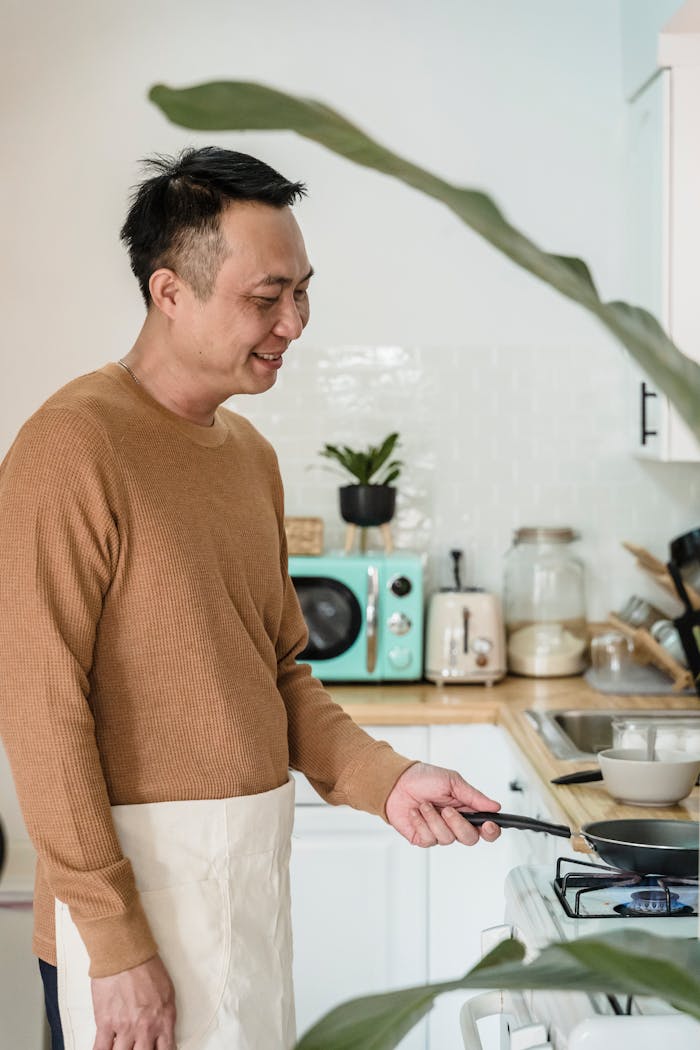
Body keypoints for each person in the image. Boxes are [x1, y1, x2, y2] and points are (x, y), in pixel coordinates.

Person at [0, 147, 501, 1050]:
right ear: (169, 292)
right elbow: (40, 715)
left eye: (304, 292)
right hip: (130, 922)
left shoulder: (248, 456)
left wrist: (388, 782)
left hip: (245, 889)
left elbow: (276, 673)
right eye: (266, 299)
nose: (295, 323)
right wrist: (116, 949)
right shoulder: (69, 449)